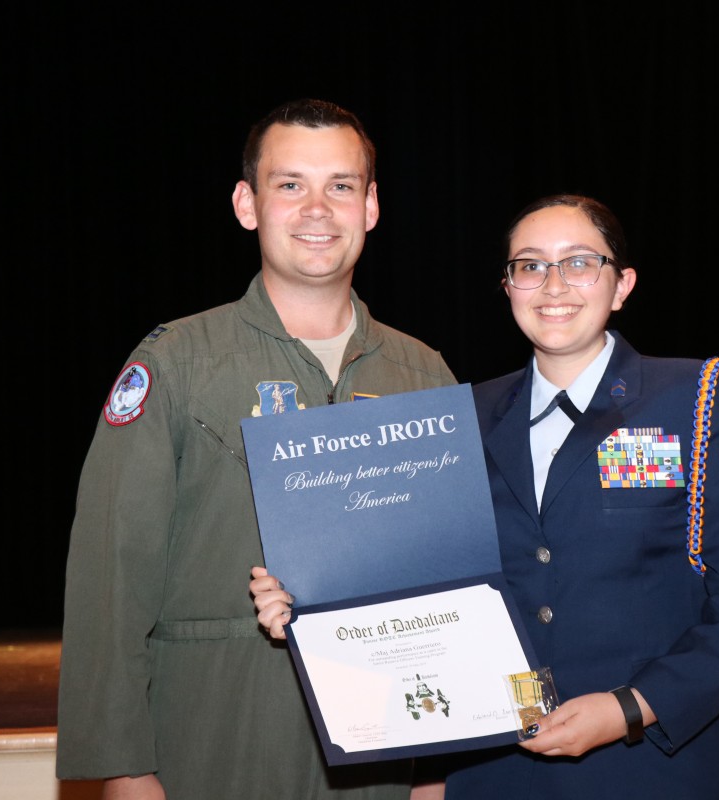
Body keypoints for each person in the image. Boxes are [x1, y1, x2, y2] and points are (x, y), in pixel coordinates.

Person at [253, 194, 719, 800]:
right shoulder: (462, 418)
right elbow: (415, 581)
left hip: (648, 766)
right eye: (530, 265)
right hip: (493, 773)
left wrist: (631, 707)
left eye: (579, 262)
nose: (553, 284)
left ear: (622, 285)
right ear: (509, 287)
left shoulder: (693, 402)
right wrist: (309, 605)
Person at [57, 98, 456, 800]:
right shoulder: (178, 363)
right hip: (215, 740)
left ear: (371, 208)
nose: (317, 208)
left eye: (341, 185)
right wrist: (122, 767)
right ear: (248, 204)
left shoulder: (423, 376)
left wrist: (442, 769)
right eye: (290, 184)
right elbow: (109, 579)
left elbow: (453, 584)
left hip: (385, 759)